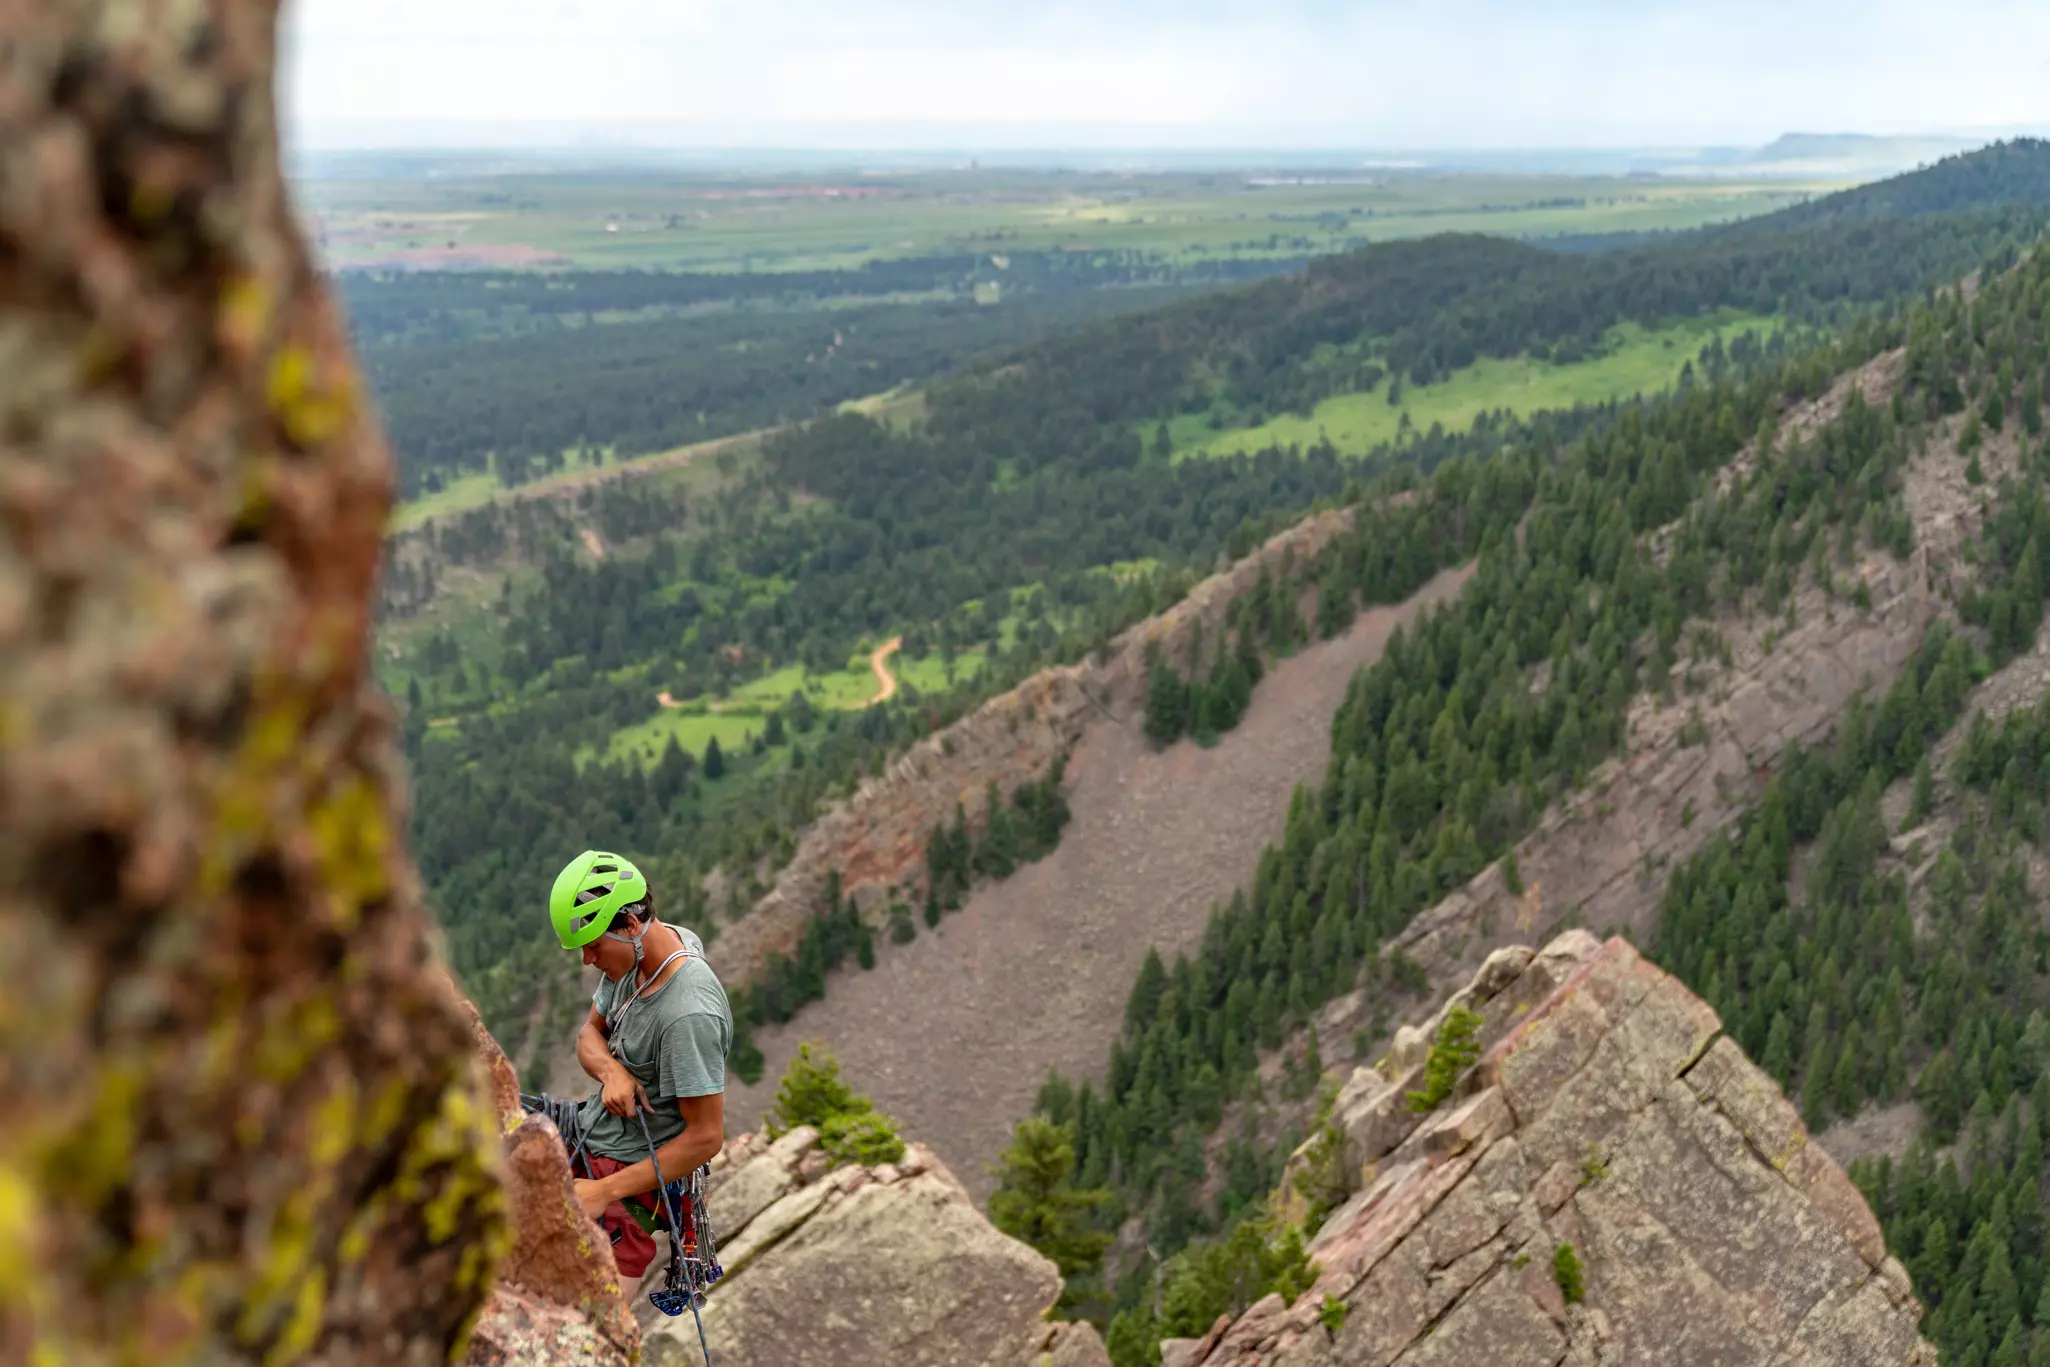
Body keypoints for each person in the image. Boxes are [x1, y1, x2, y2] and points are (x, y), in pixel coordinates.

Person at [540, 850, 732, 1291]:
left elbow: (706, 1137)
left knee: (580, 1327)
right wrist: (613, 1072)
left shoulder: (687, 1015)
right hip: (590, 1138)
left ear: (629, 924)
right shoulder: (642, 956)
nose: (587, 960)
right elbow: (589, 1034)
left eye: (593, 945)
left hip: (629, 1191)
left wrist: (603, 1194)